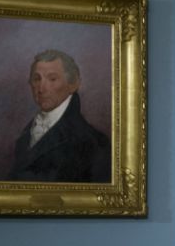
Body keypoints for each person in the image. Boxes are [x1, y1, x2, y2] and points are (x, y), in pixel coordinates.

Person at [8, 49, 110, 182]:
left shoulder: (94, 143)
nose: (41, 88)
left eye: (52, 79)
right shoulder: (25, 135)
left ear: (73, 84)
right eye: (37, 79)